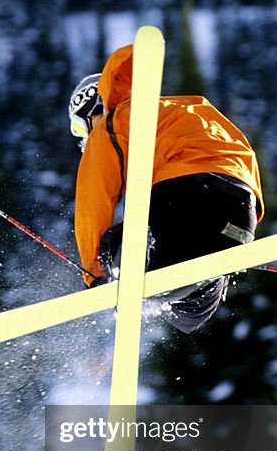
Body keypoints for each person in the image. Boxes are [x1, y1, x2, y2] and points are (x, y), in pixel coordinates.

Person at [68, 43, 264, 333]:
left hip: (189, 196)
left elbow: (93, 199)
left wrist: (95, 274)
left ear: (91, 111)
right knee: (189, 312)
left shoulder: (114, 122)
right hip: (239, 213)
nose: (85, 140)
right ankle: (172, 290)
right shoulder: (178, 110)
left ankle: (139, 284)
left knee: (116, 242)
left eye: (81, 130)